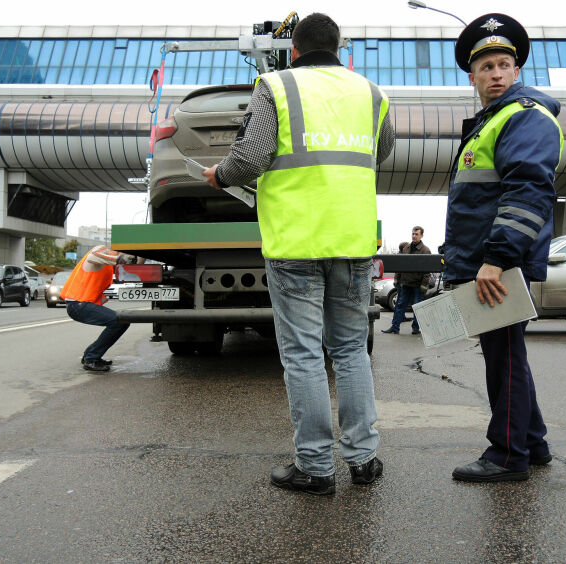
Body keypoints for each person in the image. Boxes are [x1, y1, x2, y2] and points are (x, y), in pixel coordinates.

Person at [202, 12, 395, 495]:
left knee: (305, 354)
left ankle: (314, 466)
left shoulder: (277, 86)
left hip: (295, 240)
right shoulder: (371, 93)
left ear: (294, 49)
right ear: (339, 46)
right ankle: (364, 459)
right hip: (351, 240)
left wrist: (218, 176)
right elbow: (383, 151)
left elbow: (249, 159)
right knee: (351, 351)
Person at [442, 13, 563, 482]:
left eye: (503, 64)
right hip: (486, 263)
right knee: (507, 354)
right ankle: (532, 442)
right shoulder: (492, 121)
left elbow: (528, 193)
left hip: (497, 265)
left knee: (504, 359)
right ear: (472, 76)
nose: (495, 73)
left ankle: (508, 456)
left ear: (517, 71)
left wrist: (495, 260)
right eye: (486, 66)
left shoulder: (525, 117)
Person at [60, 245, 143, 372]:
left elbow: (134, 269)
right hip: (78, 304)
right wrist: (121, 258)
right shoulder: (100, 250)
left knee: (122, 321)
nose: (128, 257)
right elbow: (94, 256)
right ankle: (91, 358)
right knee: (118, 321)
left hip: (80, 304)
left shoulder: (109, 263)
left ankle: (90, 355)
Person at [382, 226, 431, 335]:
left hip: (418, 284)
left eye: (416, 234)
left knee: (418, 307)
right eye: (413, 234)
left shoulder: (425, 250)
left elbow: (427, 270)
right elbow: (400, 265)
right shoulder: (406, 248)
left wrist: (424, 284)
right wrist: (397, 279)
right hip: (406, 283)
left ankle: (416, 329)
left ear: (421, 235)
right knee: (400, 305)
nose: (414, 236)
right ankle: (395, 327)